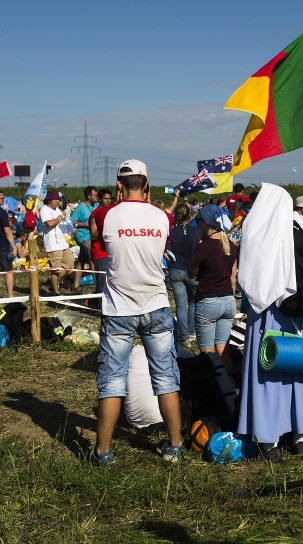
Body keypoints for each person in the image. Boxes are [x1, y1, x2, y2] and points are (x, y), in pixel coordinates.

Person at [90, 159, 184, 464]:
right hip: (155, 303)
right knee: (166, 378)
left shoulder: (107, 216)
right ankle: (174, 444)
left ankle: (103, 450)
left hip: (119, 307)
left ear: (118, 186)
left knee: (112, 381)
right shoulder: (162, 218)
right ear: (146, 185)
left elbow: (95, 235)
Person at [236, 183, 303, 461]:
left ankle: (269, 439)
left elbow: (248, 280)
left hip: (265, 315)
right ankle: (300, 436)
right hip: (295, 315)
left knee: (267, 374)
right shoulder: (295, 233)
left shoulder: (253, 233)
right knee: (297, 371)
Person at [188, 204, 238, 366]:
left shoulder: (203, 247)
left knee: (207, 352)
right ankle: (231, 387)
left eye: (198, 221)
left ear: (206, 223)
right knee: (223, 350)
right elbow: (233, 276)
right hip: (229, 301)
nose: (197, 225)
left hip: (208, 301)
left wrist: (198, 245)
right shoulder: (230, 245)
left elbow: (191, 273)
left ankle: (213, 388)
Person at [167, 203, 199, 344]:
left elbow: (167, 252)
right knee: (192, 302)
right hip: (192, 270)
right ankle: (191, 332)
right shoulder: (196, 231)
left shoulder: (171, 232)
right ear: (190, 215)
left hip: (176, 270)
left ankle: (184, 336)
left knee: (180, 305)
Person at [39, 189, 75, 295]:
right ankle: (55, 291)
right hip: (52, 244)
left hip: (62, 242)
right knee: (56, 270)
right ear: (50, 200)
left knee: (70, 264)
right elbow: (49, 224)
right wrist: (59, 218)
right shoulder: (44, 210)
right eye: (56, 199)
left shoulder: (57, 210)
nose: (58, 201)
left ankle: (54, 283)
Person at [70, 186, 98, 291]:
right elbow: (72, 222)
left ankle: (75, 285)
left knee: (81, 261)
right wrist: (86, 225)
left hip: (92, 236)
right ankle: (97, 285)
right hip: (83, 237)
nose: (97, 197)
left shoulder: (95, 206)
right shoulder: (81, 207)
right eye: (95, 195)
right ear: (89, 196)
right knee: (93, 259)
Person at [88, 189, 113, 305]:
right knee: (102, 282)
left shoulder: (112, 212)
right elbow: (93, 235)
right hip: (100, 252)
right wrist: (105, 226)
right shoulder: (95, 214)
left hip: (111, 251)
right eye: (105, 198)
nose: (108, 201)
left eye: (109, 199)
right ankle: (98, 305)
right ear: (99, 199)